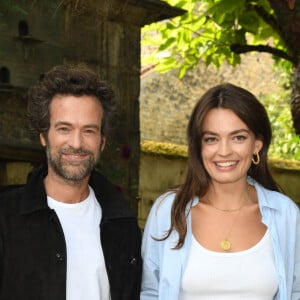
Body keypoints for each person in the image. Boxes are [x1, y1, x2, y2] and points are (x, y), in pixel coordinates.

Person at [141, 83, 300, 300]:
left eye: (238, 137)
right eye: (212, 139)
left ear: (257, 145)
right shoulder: (168, 211)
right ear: (199, 146)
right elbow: (150, 292)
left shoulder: (286, 215)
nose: (224, 151)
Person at [0, 65, 142, 300]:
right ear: (44, 136)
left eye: (88, 130)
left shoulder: (122, 227)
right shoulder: (5, 217)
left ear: (102, 141)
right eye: (64, 128)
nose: (76, 143)